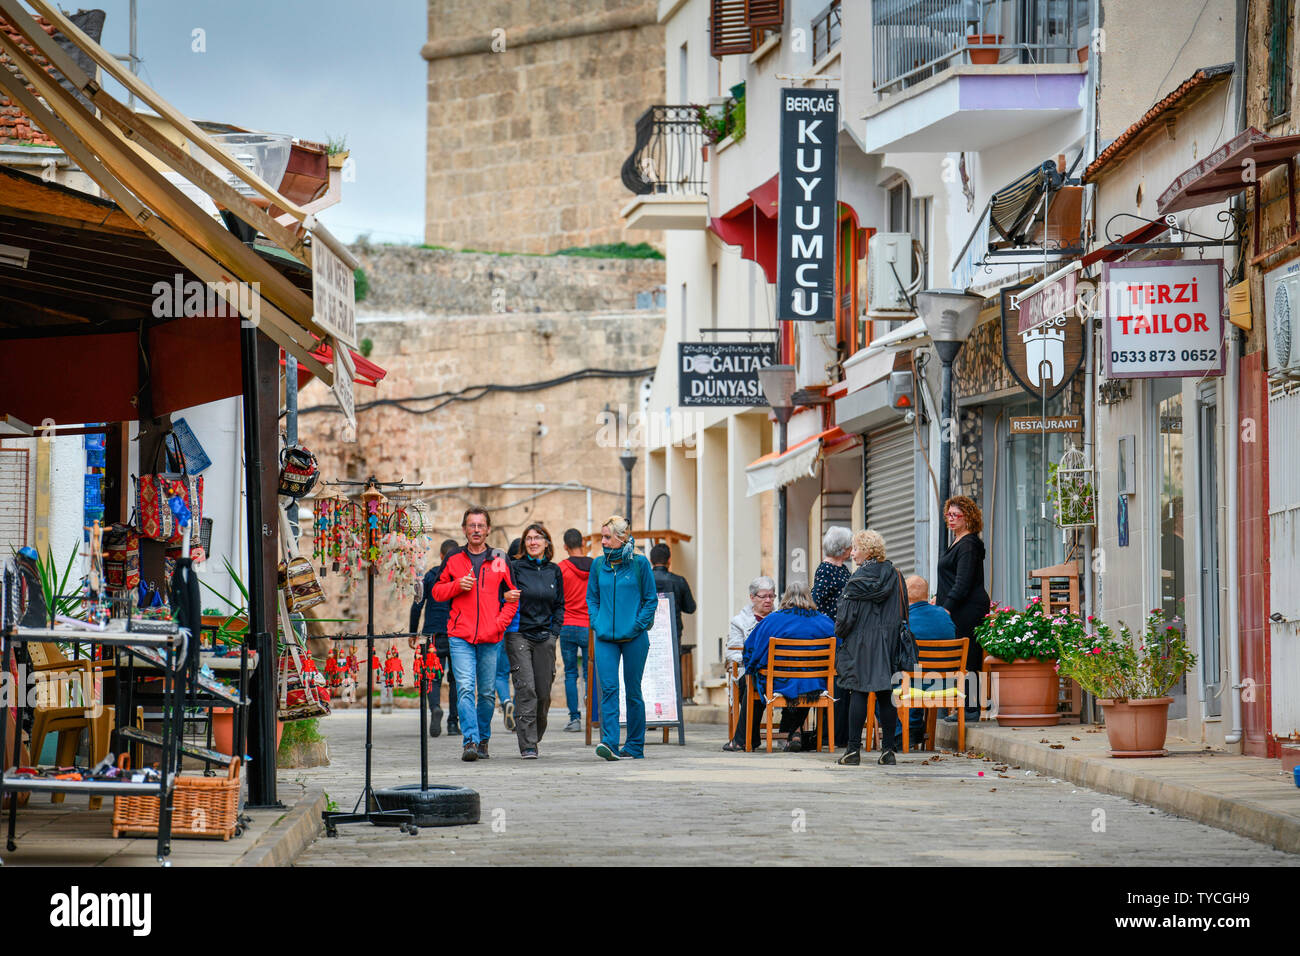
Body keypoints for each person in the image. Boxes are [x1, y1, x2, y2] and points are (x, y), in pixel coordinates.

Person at [431, 507, 518, 762]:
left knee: (488, 693)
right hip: (460, 636)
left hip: (491, 636)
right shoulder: (454, 558)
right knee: (466, 688)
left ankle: (483, 739)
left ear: (488, 529)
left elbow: (513, 596)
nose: (476, 530)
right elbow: (437, 592)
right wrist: (457, 586)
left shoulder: (500, 558)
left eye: (481, 525)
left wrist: (499, 624)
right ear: (464, 529)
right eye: (472, 525)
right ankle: (469, 739)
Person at [722, 582, 834, 752]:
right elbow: (839, 647)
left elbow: (752, 650)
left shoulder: (772, 621)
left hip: (778, 683)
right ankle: (793, 732)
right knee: (806, 682)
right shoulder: (825, 621)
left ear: (785, 597)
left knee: (752, 679)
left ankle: (742, 740)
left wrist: (754, 666)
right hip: (813, 685)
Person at [586, 515, 658, 761]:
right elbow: (592, 598)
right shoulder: (598, 565)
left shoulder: (640, 564)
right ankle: (610, 743)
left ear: (622, 537)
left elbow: (651, 600)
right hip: (605, 638)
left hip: (635, 638)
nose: (603, 542)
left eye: (607, 537)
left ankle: (635, 746)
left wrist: (637, 625)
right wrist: (597, 622)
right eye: (602, 537)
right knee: (608, 689)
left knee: (633, 691)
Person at [834, 529, 907, 766]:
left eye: (855, 548)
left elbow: (845, 621)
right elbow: (903, 609)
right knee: (886, 694)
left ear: (866, 551)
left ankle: (853, 751)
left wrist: (841, 633)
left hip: (861, 643)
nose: (852, 553)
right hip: (889, 642)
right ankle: (888, 752)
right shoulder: (896, 575)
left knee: (859, 692)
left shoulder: (856, 581)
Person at [506, 523, 565, 758]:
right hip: (519, 634)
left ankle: (535, 733)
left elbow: (560, 604)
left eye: (537, 538)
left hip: (545, 637)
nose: (533, 542)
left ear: (546, 543)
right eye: (528, 538)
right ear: (524, 543)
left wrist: (554, 633)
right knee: (526, 688)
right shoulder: (515, 568)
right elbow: (503, 595)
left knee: (543, 693)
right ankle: (528, 743)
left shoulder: (554, 571)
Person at [937, 495, 990, 723]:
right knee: (963, 658)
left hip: (967, 607)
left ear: (967, 518)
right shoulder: (958, 542)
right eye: (948, 514)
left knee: (969, 658)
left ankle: (971, 709)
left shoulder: (968, 545)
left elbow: (963, 581)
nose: (950, 519)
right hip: (958, 606)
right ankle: (963, 707)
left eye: (955, 515)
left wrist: (947, 608)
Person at [409, 538, 460, 737]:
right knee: (456, 680)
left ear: (440, 556)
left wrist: (414, 632)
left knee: (432, 676)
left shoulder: (430, 576)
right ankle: (453, 724)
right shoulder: (462, 578)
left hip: (432, 635)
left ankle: (435, 708)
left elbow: (417, 606)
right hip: (457, 634)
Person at [900, 574, 957, 748]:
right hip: (945, 683)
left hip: (915, 683)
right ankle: (914, 728)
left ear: (904, 595)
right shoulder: (944, 615)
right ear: (926, 594)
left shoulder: (904, 620)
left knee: (883, 687)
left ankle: (903, 732)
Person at [557, 528, 593, 732]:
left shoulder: (561, 568)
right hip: (589, 626)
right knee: (590, 673)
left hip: (568, 625)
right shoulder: (595, 566)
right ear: (583, 544)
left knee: (571, 673)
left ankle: (574, 719)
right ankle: (593, 716)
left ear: (565, 547)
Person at [496, 538, 523, 732]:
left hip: (501, 628)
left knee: (500, 674)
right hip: (520, 629)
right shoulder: (525, 572)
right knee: (521, 675)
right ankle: (514, 709)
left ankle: (505, 701)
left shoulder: (501, 572)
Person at [650, 543, 696, 646]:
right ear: (669, 560)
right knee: (673, 661)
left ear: (651, 560)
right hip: (673, 632)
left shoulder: (643, 581)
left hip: (648, 631)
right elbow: (690, 608)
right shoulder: (679, 581)